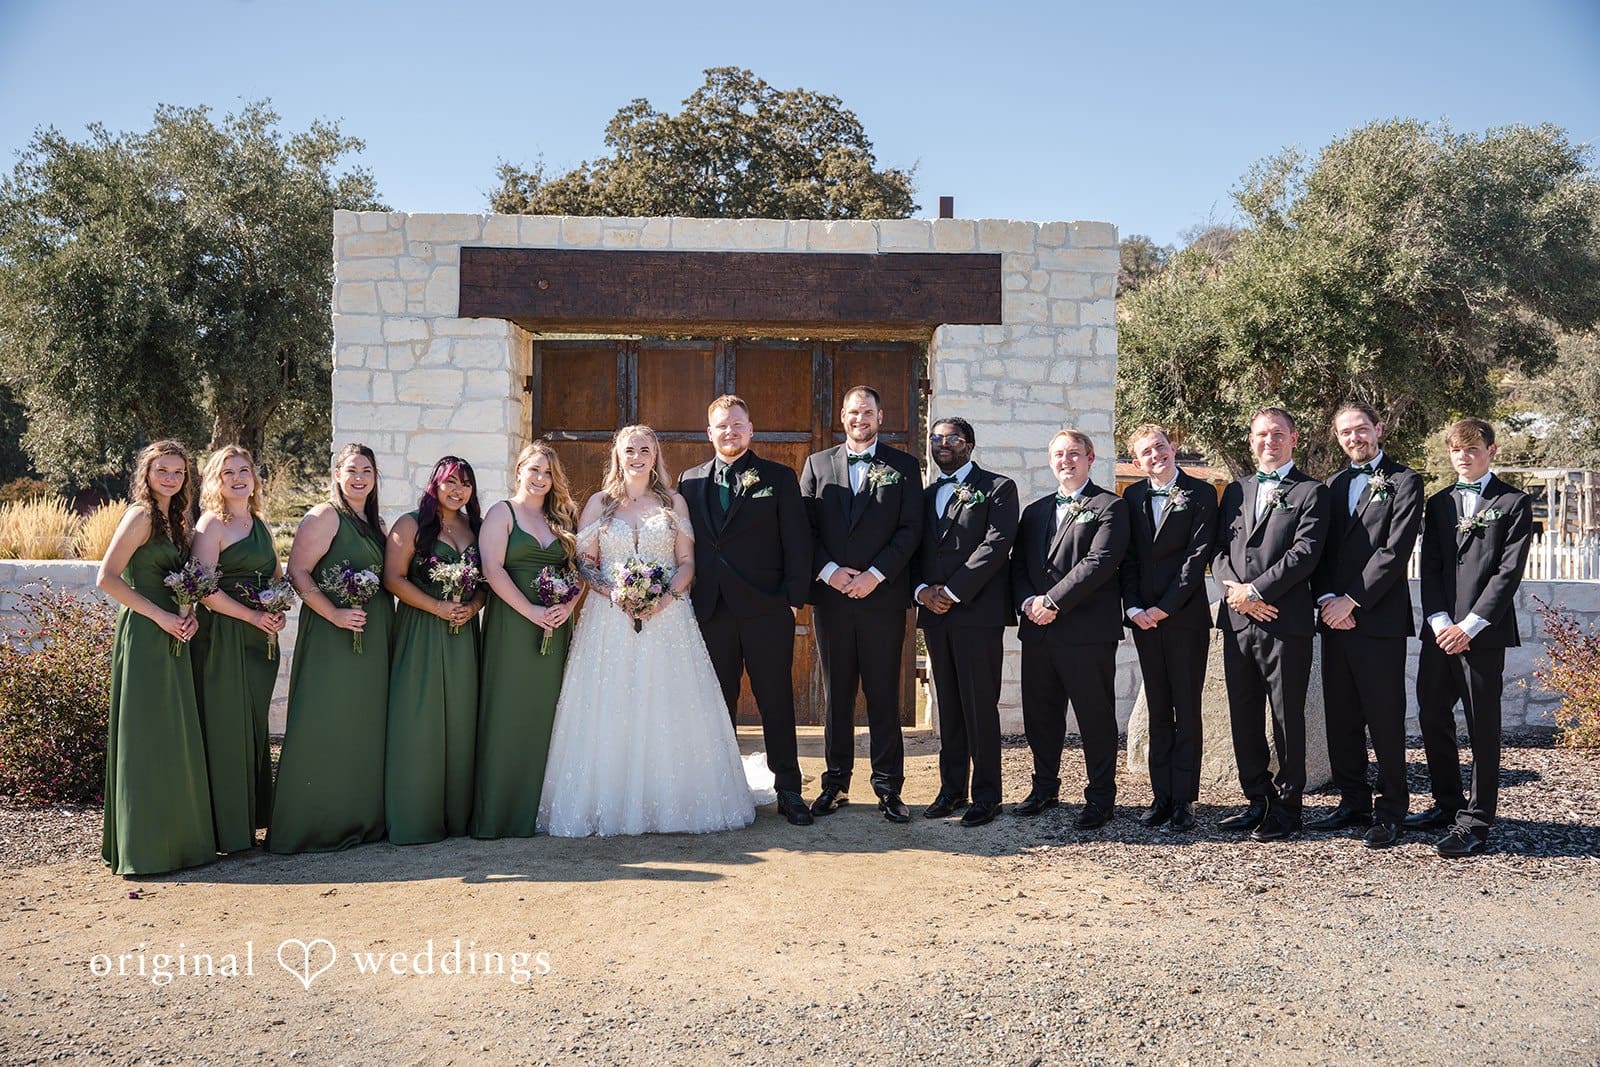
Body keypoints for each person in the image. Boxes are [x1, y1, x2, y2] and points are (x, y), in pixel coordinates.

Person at [539, 425, 757, 837]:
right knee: (610, 706)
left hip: (668, 619)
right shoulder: (600, 503)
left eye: (645, 449)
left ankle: (672, 800)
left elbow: (687, 563)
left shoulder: (673, 502)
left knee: (668, 704)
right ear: (617, 455)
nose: (637, 456)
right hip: (609, 619)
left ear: (655, 455)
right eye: (629, 450)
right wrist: (613, 592)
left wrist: (664, 598)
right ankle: (610, 799)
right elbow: (585, 562)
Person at [678, 396, 814, 827]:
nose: (730, 432)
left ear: (751, 429)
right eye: (722, 426)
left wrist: (792, 600)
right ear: (709, 432)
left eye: (737, 425)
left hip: (767, 608)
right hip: (711, 609)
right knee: (718, 704)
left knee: (776, 700)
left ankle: (788, 789)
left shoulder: (778, 477)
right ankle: (719, 790)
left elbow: (798, 541)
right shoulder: (689, 481)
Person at [1407, 418, 1533, 857]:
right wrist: (1441, 623)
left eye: (1473, 448)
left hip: (1483, 635)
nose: (1464, 456)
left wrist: (1470, 626)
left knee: (1482, 726)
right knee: (1431, 715)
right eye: (1457, 450)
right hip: (1441, 633)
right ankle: (1447, 803)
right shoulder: (1439, 503)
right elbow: (1431, 567)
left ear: (1491, 451)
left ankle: (1476, 820)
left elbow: (1507, 573)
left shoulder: (1514, 502)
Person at [800, 386, 923, 823]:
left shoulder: (903, 467)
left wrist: (875, 575)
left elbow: (911, 529)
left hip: (882, 599)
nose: (860, 419)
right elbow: (804, 529)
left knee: (883, 693)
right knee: (836, 695)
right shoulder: (817, 465)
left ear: (880, 416)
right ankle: (835, 783)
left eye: (867, 412)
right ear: (842, 415)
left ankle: (889, 788)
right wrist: (829, 571)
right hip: (832, 600)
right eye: (853, 412)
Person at [266, 443, 393, 854]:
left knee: (363, 723)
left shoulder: (376, 523)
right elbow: (298, 572)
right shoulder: (324, 516)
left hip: (372, 635)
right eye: (352, 470)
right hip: (331, 635)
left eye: (367, 471)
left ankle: (361, 817)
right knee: (326, 719)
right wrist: (334, 614)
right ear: (337, 473)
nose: (360, 478)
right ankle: (314, 823)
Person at [1308, 402, 1423, 848]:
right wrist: (1327, 601)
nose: (1354, 438)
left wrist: (1351, 601)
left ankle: (1392, 809)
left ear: (1378, 428)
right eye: (1345, 432)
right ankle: (1352, 801)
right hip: (1334, 620)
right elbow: (1319, 550)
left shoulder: (1405, 481)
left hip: (1378, 620)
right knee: (1342, 717)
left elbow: (1395, 550)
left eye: (1361, 429)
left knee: (1384, 717)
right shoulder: (1333, 484)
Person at [97, 440, 216, 876]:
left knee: (173, 732)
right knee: (146, 734)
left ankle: (179, 843)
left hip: (175, 631)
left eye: (178, 472)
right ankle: (144, 849)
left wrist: (188, 613)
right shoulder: (141, 516)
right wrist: (161, 617)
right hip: (146, 634)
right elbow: (107, 578)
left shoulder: (179, 519)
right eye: (162, 470)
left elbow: (185, 579)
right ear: (146, 473)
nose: (170, 478)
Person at [1212, 407, 1330, 842]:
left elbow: (1305, 553)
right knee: (1243, 714)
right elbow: (1218, 550)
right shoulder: (1235, 490)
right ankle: (1256, 799)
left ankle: (1288, 806)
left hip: (1284, 621)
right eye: (1261, 434)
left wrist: (1257, 592)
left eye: (1278, 434)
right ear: (1251, 440)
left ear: (1293, 439)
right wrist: (1236, 595)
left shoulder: (1311, 492)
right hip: (1238, 620)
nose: (1269, 441)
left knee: (1286, 716)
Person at [1010, 429, 1129, 828]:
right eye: (1059, 455)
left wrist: (1052, 602)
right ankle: (1044, 788)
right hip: (1038, 630)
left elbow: (1099, 562)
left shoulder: (1110, 506)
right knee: (1040, 716)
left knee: (1095, 717)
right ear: (1050, 461)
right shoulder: (1035, 511)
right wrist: (1029, 602)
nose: (1066, 460)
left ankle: (1101, 798)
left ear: (1090, 458)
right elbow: (1018, 566)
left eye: (1074, 453)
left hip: (1087, 633)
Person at [913, 417, 1018, 828]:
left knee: (979, 704)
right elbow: (914, 548)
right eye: (936, 438)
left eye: (952, 438)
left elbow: (997, 544)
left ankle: (988, 796)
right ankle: (952, 789)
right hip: (935, 615)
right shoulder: (924, 496)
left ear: (969, 446)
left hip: (977, 613)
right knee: (949, 705)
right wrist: (923, 591)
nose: (943, 444)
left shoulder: (998, 488)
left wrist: (953, 591)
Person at [471, 441, 580, 839]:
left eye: (548, 473)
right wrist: (531, 611)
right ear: (518, 471)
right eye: (534, 470)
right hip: (513, 626)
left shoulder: (562, 518)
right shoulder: (502, 513)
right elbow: (492, 570)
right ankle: (500, 813)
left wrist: (567, 606)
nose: (540, 478)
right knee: (508, 710)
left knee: (549, 713)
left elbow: (580, 571)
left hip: (556, 625)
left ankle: (541, 810)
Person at [1118, 424, 1219, 833]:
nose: (1155, 455)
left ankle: (1184, 800)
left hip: (1185, 617)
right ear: (1137, 461)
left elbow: (1197, 558)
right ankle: (1160, 796)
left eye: (1160, 446)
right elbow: (1126, 559)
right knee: (1158, 707)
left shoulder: (1201, 493)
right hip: (1144, 619)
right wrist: (1134, 608)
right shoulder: (1132, 497)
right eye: (1146, 451)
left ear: (1173, 447)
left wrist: (1165, 608)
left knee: (1186, 707)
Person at [384, 456, 486, 845]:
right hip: (421, 629)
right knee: (420, 717)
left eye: (465, 483)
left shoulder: (476, 527)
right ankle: (417, 816)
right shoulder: (411, 524)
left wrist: (472, 607)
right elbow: (393, 579)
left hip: (463, 634)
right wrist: (437, 607)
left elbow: (485, 583)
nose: (458, 490)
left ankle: (457, 817)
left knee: (461, 718)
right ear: (435, 484)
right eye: (450, 482)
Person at [190, 445, 285, 854]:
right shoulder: (211, 524)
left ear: (254, 477)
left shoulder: (260, 524)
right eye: (227, 472)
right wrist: (252, 616)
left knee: (252, 727)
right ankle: (225, 831)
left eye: (243, 470)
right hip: (223, 638)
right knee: (226, 728)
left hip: (258, 641)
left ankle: (248, 822)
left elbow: (277, 576)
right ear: (215, 481)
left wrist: (277, 608)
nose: (237, 478)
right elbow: (204, 589)